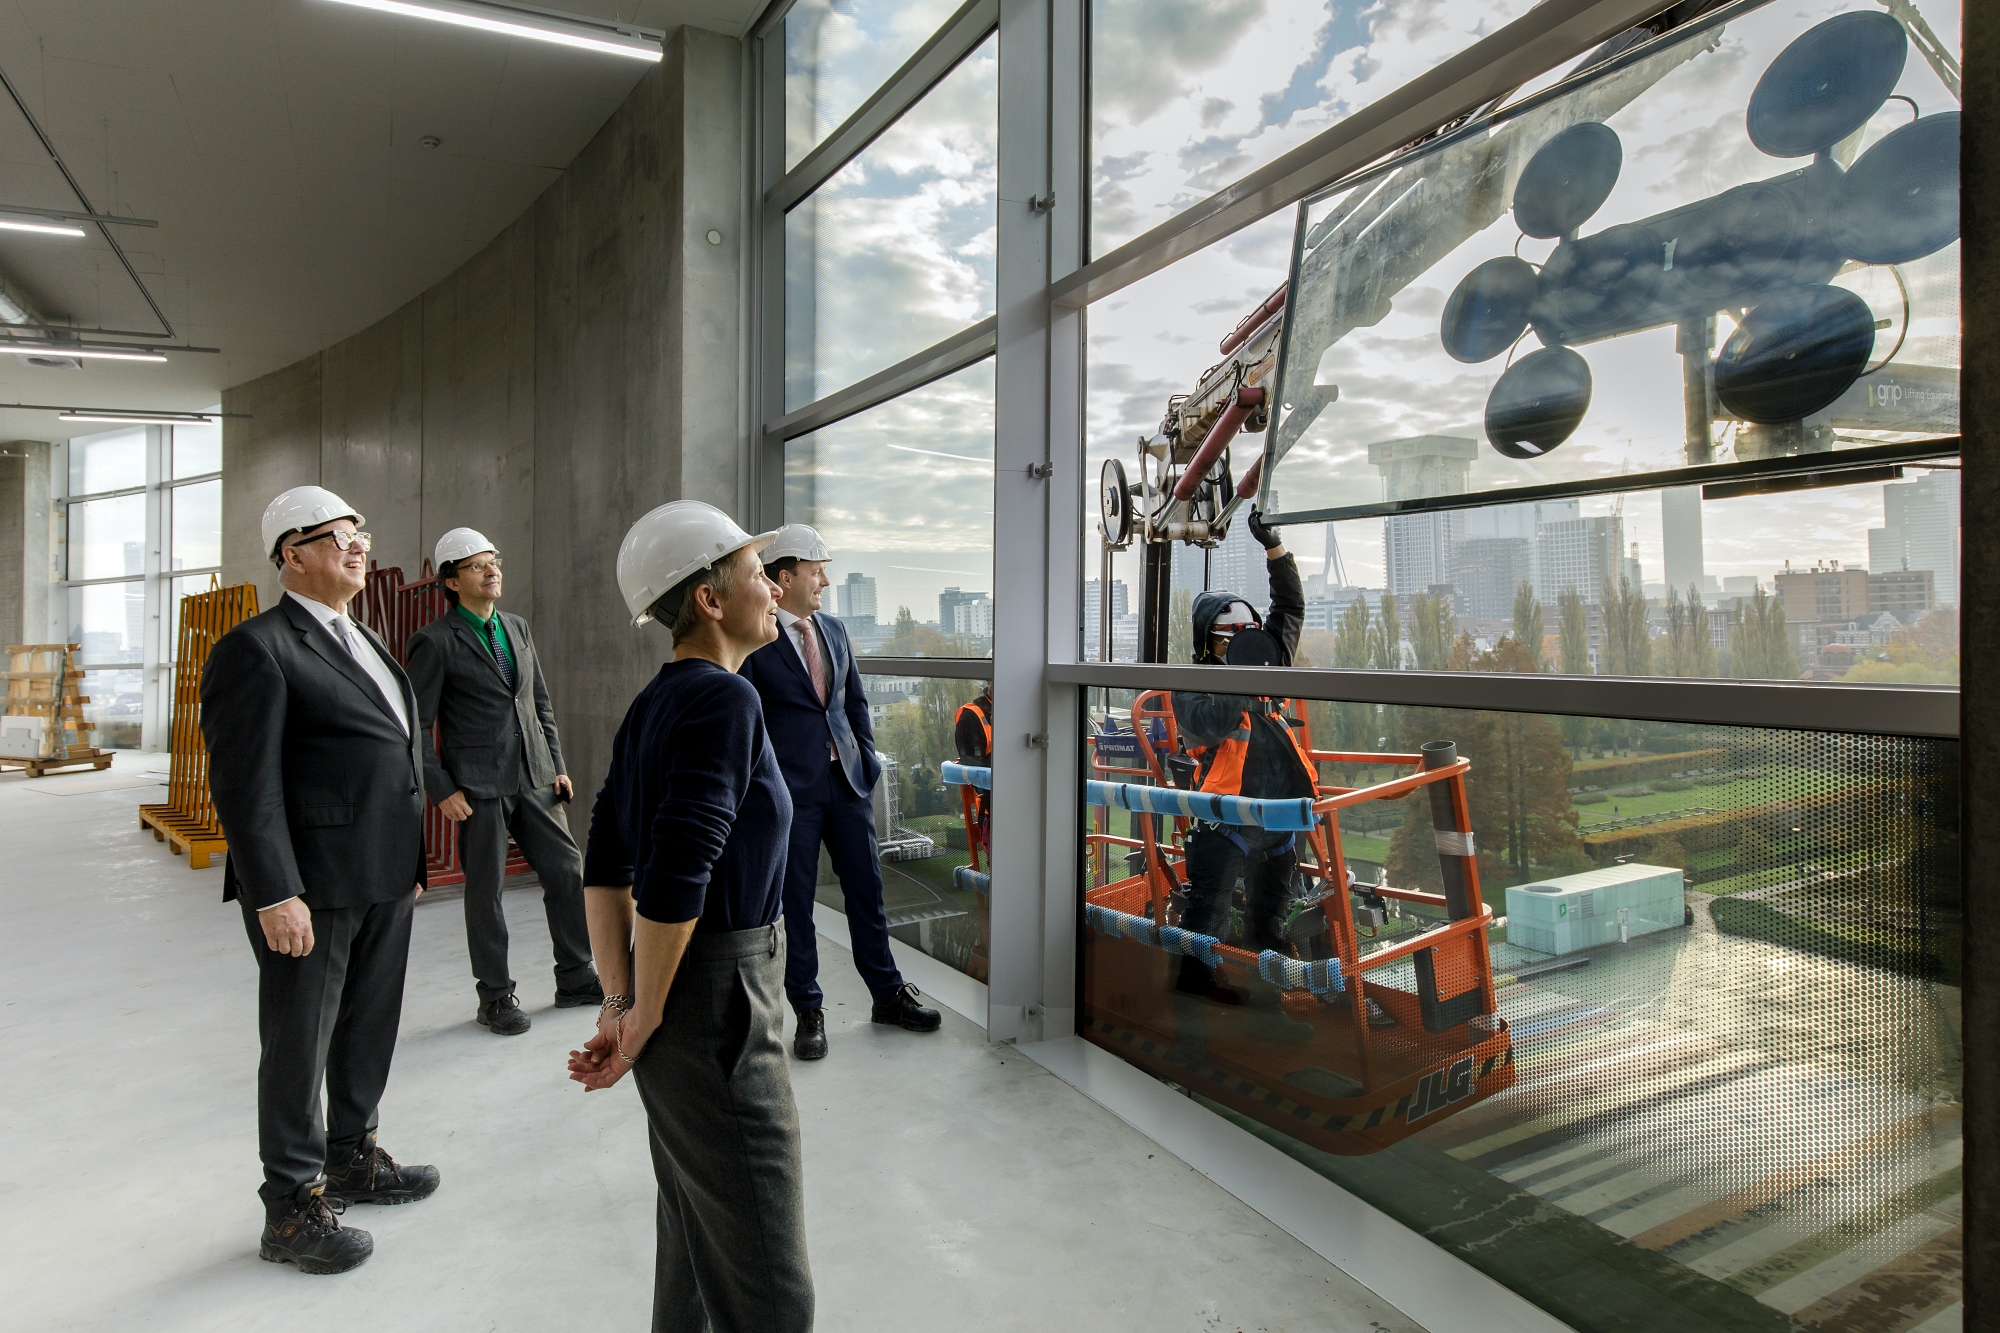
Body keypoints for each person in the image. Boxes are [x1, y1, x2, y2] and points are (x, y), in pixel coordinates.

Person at [567, 501, 813, 1332]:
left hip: (678, 1001)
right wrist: (643, 1017)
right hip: (717, 1006)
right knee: (772, 1294)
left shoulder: (655, 704)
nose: (773, 589)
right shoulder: (726, 704)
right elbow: (674, 877)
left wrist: (620, 1001)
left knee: (699, 1259)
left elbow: (603, 862)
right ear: (709, 599)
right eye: (755, 573)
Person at [201, 485, 440, 1276]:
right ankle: (291, 1204)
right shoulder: (257, 647)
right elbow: (246, 784)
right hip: (310, 885)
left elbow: (393, 754)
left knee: (369, 1023)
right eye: (338, 534)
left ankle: (352, 1158)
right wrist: (274, 891)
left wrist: (407, 865)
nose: (358, 545)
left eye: (361, 531)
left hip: (379, 873)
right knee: (299, 1043)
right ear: (290, 554)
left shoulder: (364, 637)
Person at [741, 524, 940, 1062]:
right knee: (797, 904)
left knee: (868, 894)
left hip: (847, 784)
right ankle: (808, 1010)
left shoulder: (833, 629)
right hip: (792, 793)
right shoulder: (757, 639)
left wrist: (868, 761)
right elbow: (750, 722)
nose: (824, 582)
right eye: (816, 572)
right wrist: (766, 788)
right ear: (785, 578)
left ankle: (887, 995)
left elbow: (853, 702)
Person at [406, 526, 600, 1035]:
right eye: (477, 565)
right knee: (486, 893)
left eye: (494, 561)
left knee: (566, 873)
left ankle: (576, 976)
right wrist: (441, 786)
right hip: (476, 787)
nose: (492, 571)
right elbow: (415, 724)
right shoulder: (434, 642)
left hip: (535, 776)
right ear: (452, 582)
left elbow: (538, 703)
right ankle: (495, 996)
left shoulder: (516, 627)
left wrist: (554, 763)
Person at [1168, 510, 1314, 1006]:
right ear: (1206, 646)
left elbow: (1290, 608)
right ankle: (1197, 981)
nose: (1239, 651)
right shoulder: (1192, 688)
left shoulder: (1265, 662)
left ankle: (1266, 967)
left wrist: (1275, 551)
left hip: (1275, 815)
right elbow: (1207, 725)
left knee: (1270, 909)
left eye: (1245, 640)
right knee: (1209, 908)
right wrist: (1249, 677)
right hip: (1225, 816)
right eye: (1227, 642)